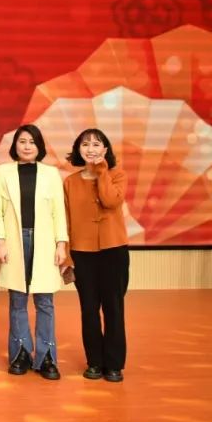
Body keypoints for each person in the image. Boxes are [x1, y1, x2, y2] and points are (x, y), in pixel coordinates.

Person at [0, 124, 69, 381]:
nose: (27, 146)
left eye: (32, 142)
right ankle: (21, 354)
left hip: (44, 241)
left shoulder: (51, 173)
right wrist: (0, 241)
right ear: (15, 145)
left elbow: (59, 212)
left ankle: (47, 357)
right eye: (22, 141)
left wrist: (61, 244)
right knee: (17, 300)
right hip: (15, 241)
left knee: (45, 301)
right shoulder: (3, 172)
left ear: (40, 147)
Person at [63, 128, 129, 383]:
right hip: (82, 254)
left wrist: (102, 172)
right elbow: (67, 222)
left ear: (105, 149)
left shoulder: (117, 175)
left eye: (96, 144)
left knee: (113, 308)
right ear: (78, 149)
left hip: (114, 250)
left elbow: (110, 201)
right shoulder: (70, 182)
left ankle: (114, 364)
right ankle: (94, 362)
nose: (90, 149)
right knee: (88, 310)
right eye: (85, 144)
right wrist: (67, 257)